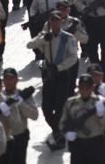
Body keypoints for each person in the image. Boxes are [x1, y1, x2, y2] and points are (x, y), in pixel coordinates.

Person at [27, 11, 79, 150]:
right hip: (49, 74)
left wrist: (59, 67)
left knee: (60, 106)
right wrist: (43, 40)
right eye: (52, 21)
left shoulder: (68, 38)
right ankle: (57, 129)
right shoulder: (45, 36)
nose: (55, 23)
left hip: (61, 74)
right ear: (49, 22)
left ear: (61, 22)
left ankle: (60, 133)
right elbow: (30, 45)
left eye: (57, 20)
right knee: (46, 108)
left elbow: (73, 57)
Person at [59, 74, 105, 164]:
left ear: (93, 87)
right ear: (78, 87)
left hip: (96, 144)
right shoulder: (70, 103)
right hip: (78, 144)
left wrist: (101, 116)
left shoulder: (100, 102)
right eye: (82, 87)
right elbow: (62, 123)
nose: (84, 91)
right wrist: (66, 132)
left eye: (87, 88)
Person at [1, 67, 39, 164]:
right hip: (3, 139)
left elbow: (35, 115)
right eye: (6, 79)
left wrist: (21, 103)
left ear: (17, 80)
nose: (8, 81)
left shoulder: (24, 95)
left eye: (11, 78)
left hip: (19, 138)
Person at [0, 74, 23, 163]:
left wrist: (8, 114)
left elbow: (18, 127)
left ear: (0, 88)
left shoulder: (9, 103)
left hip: (5, 144)